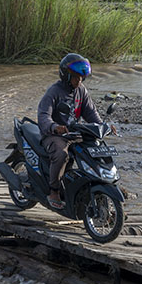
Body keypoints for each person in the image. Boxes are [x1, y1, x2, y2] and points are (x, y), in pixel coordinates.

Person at [37, 53, 103, 210]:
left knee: (95, 152)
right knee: (62, 154)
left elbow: (91, 113)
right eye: (75, 77)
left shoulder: (82, 91)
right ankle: (54, 191)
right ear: (66, 75)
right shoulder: (54, 92)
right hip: (54, 135)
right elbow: (43, 116)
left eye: (81, 77)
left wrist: (102, 125)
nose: (79, 80)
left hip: (75, 133)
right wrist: (54, 127)